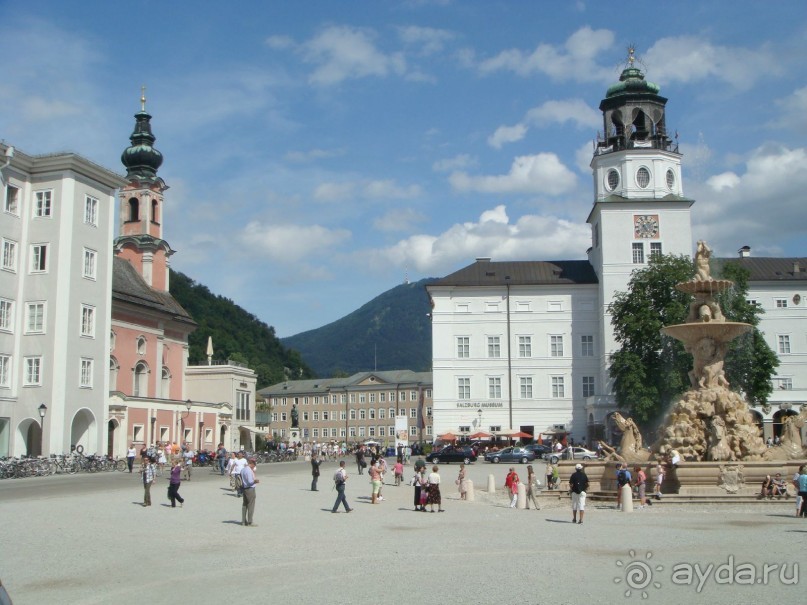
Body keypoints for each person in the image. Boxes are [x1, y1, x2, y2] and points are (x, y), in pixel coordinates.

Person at [240, 458, 259, 527]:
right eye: (254, 465)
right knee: (251, 505)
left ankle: (243, 521)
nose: (254, 467)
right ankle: (250, 521)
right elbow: (250, 482)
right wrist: (255, 481)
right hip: (250, 489)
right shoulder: (248, 470)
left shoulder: (243, 469)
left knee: (244, 505)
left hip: (244, 488)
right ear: (252, 464)